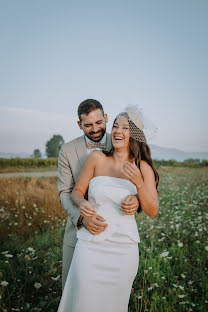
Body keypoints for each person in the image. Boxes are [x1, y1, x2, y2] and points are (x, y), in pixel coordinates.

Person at [57, 105, 159, 312]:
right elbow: (76, 192)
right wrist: (82, 202)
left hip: (124, 248)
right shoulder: (97, 158)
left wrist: (139, 186)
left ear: (135, 135)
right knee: (82, 301)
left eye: (125, 127)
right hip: (91, 246)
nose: (118, 131)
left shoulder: (143, 168)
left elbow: (152, 211)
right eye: (115, 126)